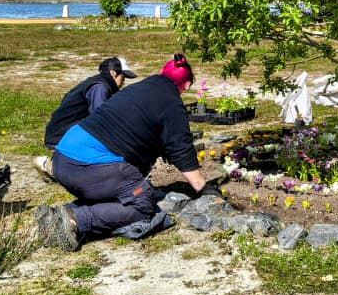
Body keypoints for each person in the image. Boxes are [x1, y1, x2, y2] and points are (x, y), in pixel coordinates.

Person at [36, 54, 210, 251]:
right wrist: (201, 186)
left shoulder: (139, 89)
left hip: (62, 159)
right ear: (186, 85)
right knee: (142, 202)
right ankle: (75, 219)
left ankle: (61, 214)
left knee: (120, 191)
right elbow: (181, 147)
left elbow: (146, 130)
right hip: (87, 167)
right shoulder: (171, 103)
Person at [41, 56, 138, 150]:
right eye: (123, 77)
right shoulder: (100, 87)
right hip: (62, 138)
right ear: (113, 73)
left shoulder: (96, 82)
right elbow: (101, 119)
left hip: (61, 134)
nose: (124, 81)